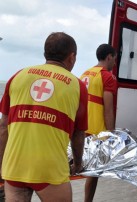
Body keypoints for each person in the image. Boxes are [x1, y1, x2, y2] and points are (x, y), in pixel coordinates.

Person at [0, 32, 88, 202]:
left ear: (45, 54)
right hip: (50, 170)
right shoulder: (77, 86)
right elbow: (78, 133)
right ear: (71, 57)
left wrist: (2, 165)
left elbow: (3, 126)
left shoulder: (18, 76)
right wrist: (77, 163)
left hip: (14, 166)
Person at [80, 44, 117, 202]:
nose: (115, 63)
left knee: (87, 171)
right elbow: (108, 109)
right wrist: (111, 134)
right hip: (97, 132)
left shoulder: (85, 74)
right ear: (109, 57)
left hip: (82, 129)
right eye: (114, 59)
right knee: (93, 174)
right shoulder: (107, 76)